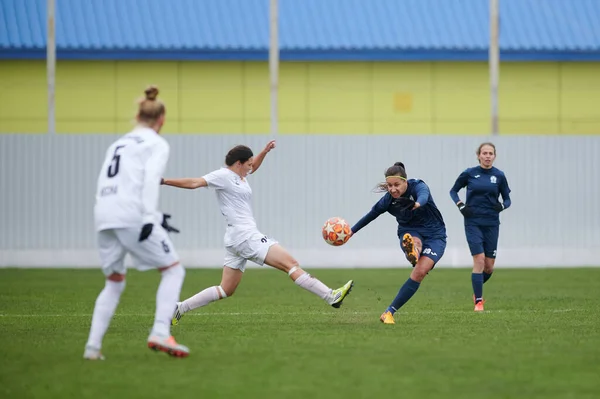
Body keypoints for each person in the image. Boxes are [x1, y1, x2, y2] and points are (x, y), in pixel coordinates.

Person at [161, 141, 354, 324]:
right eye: (248, 164)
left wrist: (264, 152)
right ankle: (331, 296)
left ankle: (179, 308)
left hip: (235, 239)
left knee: (225, 289)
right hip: (246, 237)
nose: (251, 168)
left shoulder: (240, 177)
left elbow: (253, 168)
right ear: (238, 163)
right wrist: (164, 180)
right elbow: (195, 182)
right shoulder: (223, 176)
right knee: (291, 265)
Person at [84, 86, 189, 360]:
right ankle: (160, 331)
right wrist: (149, 216)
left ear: (138, 115)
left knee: (114, 281)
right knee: (173, 271)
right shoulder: (156, 143)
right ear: (161, 119)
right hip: (132, 215)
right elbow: (151, 178)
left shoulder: (118, 143)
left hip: (104, 215)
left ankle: (92, 348)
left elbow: (110, 182)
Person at [348, 162, 447, 325]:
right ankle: (413, 250)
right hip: (409, 230)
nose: (393, 189)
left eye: (396, 185)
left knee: (420, 273)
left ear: (405, 182)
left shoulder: (418, 186)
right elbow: (371, 215)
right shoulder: (388, 200)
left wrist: (416, 204)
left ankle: (414, 255)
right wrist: (351, 231)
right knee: (414, 241)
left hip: (435, 234)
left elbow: (424, 196)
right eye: (389, 186)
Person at [449, 142, 511, 312]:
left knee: (489, 266)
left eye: (491, 153)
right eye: (484, 153)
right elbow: (453, 191)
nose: (487, 156)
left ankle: (477, 290)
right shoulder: (470, 173)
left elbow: (507, 199)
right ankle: (479, 301)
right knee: (479, 260)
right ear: (478, 155)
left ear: (494, 156)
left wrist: (502, 206)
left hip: (491, 223)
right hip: (473, 222)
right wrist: (461, 205)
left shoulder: (499, 176)